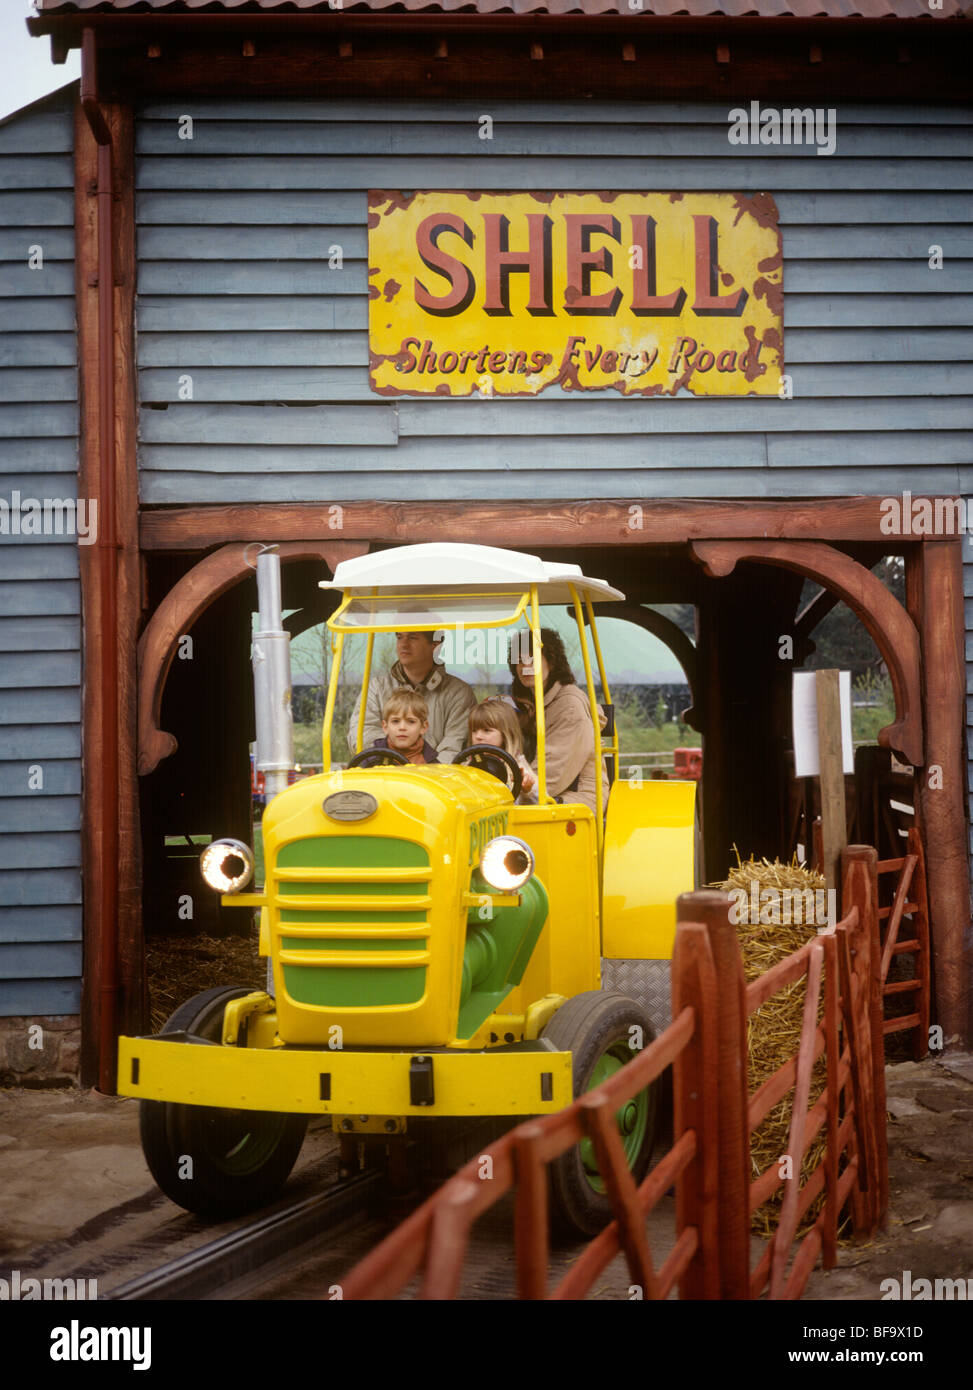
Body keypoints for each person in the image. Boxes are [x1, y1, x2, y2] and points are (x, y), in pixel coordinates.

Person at [508, 628, 608, 816]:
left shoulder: (569, 705)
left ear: (552, 662)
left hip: (578, 797)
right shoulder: (529, 703)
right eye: (520, 660)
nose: (525, 666)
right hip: (542, 790)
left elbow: (552, 774)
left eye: (533, 659)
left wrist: (508, 793)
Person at [349, 629, 476, 760]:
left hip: (435, 779)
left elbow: (454, 748)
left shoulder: (459, 693)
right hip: (384, 777)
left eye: (412, 638)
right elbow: (361, 735)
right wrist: (392, 765)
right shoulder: (377, 687)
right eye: (399, 637)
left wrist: (422, 774)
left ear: (435, 645)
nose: (403, 644)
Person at [467, 697, 537, 802]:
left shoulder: (518, 767)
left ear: (505, 734)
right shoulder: (468, 764)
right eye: (474, 731)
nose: (478, 736)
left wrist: (527, 789)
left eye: (487, 730)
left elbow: (541, 798)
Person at [371, 689, 439, 766]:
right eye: (395, 721)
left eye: (411, 721)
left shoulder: (432, 763)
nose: (402, 727)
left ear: (423, 727)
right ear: (385, 727)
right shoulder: (371, 759)